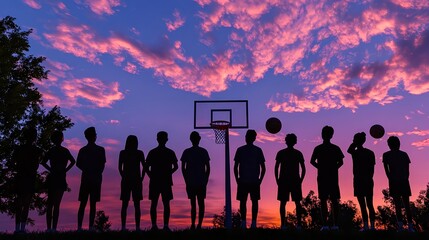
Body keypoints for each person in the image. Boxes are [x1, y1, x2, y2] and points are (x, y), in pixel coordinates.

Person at [310, 125, 344, 231]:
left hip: (329, 177)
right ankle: (329, 225)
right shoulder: (321, 148)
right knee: (327, 200)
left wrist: (331, 169)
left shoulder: (333, 148)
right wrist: (322, 168)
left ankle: (332, 225)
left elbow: (341, 162)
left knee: (331, 200)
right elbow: (312, 161)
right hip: (325, 177)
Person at [41, 130, 76, 232]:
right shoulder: (63, 151)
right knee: (55, 204)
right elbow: (73, 161)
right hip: (59, 177)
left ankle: (50, 228)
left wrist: (52, 169)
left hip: (56, 177)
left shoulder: (52, 150)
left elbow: (43, 162)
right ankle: (52, 228)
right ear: (61, 139)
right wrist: (65, 169)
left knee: (51, 204)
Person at [146, 131, 178, 231]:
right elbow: (176, 167)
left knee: (155, 203)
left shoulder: (153, 152)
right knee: (164, 204)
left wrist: (151, 175)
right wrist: (168, 173)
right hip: (164, 181)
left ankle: (156, 226)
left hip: (158, 180)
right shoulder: (169, 152)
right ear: (166, 139)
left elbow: (146, 167)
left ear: (157, 139)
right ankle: (164, 226)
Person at [233, 129, 266, 229]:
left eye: (248, 136)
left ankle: (252, 223)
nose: (247, 137)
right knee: (246, 202)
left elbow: (263, 168)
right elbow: (235, 166)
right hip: (246, 180)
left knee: (251, 202)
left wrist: (260, 180)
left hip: (250, 181)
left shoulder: (257, 150)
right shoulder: (241, 150)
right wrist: (237, 179)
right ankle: (246, 223)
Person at [13, 128, 43, 233]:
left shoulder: (19, 149)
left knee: (20, 203)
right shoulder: (37, 150)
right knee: (25, 203)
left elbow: (13, 163)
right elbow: (36, 165)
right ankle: (21, 228)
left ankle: (18, 228)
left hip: (21, 177)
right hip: (29, 177)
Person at [76, 127, 106, 231]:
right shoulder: (98, 150)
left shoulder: (85, 150)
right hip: (91, 179)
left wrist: (88, 170)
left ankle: (85, 227)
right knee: (89, 204)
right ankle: (87, 227)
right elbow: (102, 165)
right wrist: (94, 171)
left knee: (86, 203)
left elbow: (78, 164)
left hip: (90, 178)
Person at [382, 136, 414, 232]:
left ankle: (405, 226)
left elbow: (387, 170)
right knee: (404, 204)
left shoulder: (400, 154)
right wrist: (393, 178)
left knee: (400, 204)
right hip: (400, 181)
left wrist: (391, 178)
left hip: (399, 181)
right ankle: (407, 226)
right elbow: (407, 170)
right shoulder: (391, 155)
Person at [275, 133, 306, 231]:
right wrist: (300, 180)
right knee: (293, 203)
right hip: (289, 181)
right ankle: (297, 225)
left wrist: (277, 179)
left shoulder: (295, 153)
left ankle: (285, 225)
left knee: (288, 203)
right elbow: (276, 167)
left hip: (288, 180)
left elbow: (276, 168)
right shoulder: (295, 153)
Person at [181, 131, 210, 230]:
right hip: (194, 181)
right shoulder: (189, 152)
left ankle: (197, 224)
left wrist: (205, 180)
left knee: (196, 204)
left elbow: (208, 168)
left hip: (197, 181)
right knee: (197, 204)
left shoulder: (201, 151)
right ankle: (196, 224)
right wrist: (187, 179)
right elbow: (183, 168)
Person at [347, 132, 376, 231]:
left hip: (360, 180)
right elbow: (372, 169)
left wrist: (356, 141)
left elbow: (349, 149)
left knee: (364, 205)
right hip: (368, 180)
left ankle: (367, 226)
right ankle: (371, 226)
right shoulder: (370, 152)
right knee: (369, 204)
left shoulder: (355, 152)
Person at [118, 135, 145, 231]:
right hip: (134, 180)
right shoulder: (137, 153)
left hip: (129, 180)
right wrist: (141, 177)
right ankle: (134, 227)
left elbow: (120, 167)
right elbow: (144, 167)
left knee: (127, 204)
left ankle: (126, 227)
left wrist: (124, 176)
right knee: (135, 204)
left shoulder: (124, 153)